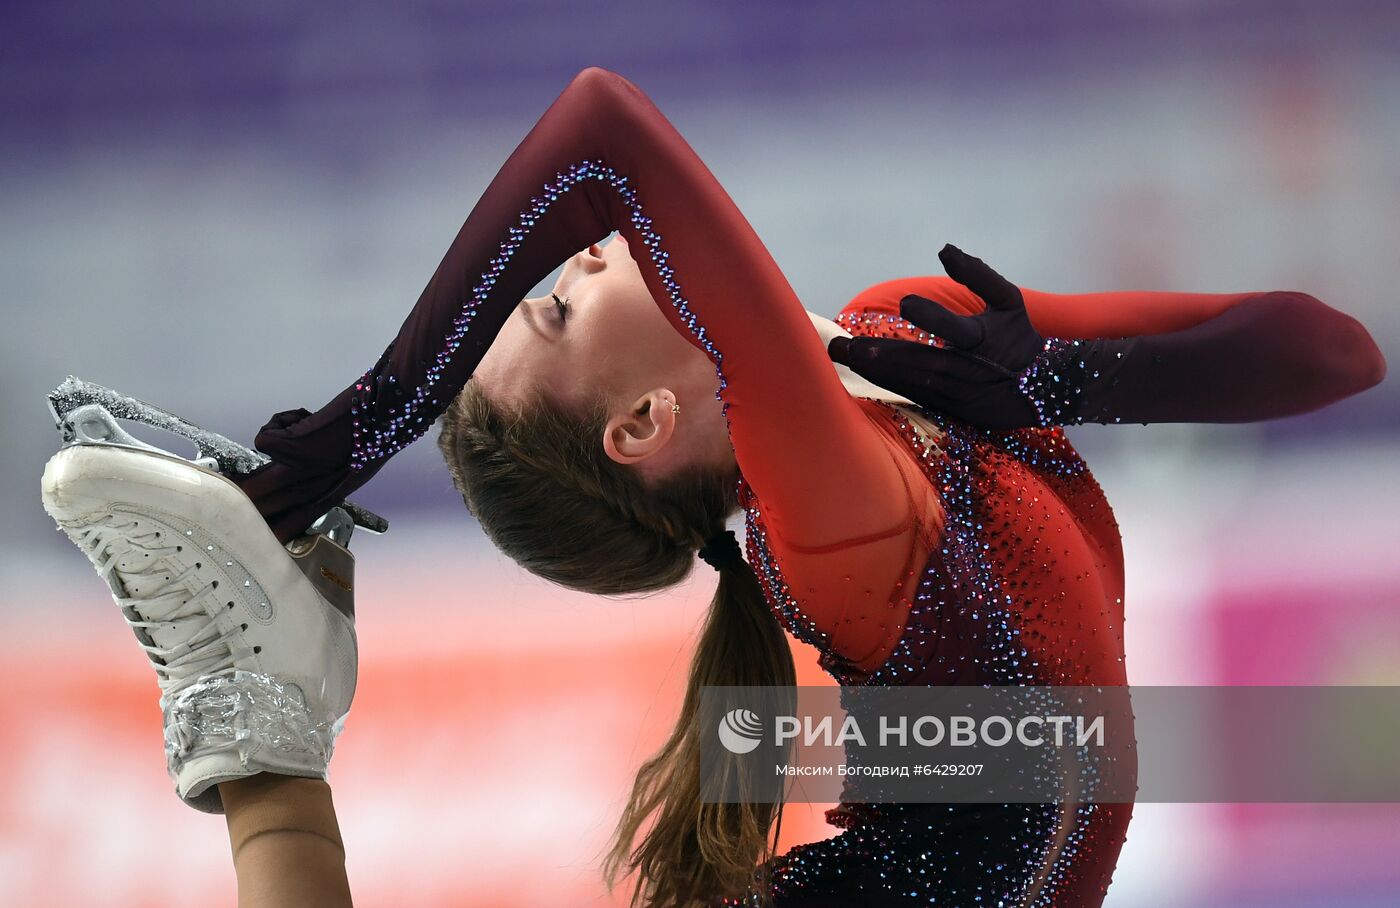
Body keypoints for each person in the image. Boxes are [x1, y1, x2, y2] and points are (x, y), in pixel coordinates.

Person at [42, 66, 1385, 908]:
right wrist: (375, 416)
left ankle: (268, 734)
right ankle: (263, 737)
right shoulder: (835, 521)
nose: (578, 260)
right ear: (643, 423)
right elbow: (603, 132)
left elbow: (1335, 349)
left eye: (550, 284)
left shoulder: (912, 344)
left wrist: (1069, 379)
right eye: (562, 308)